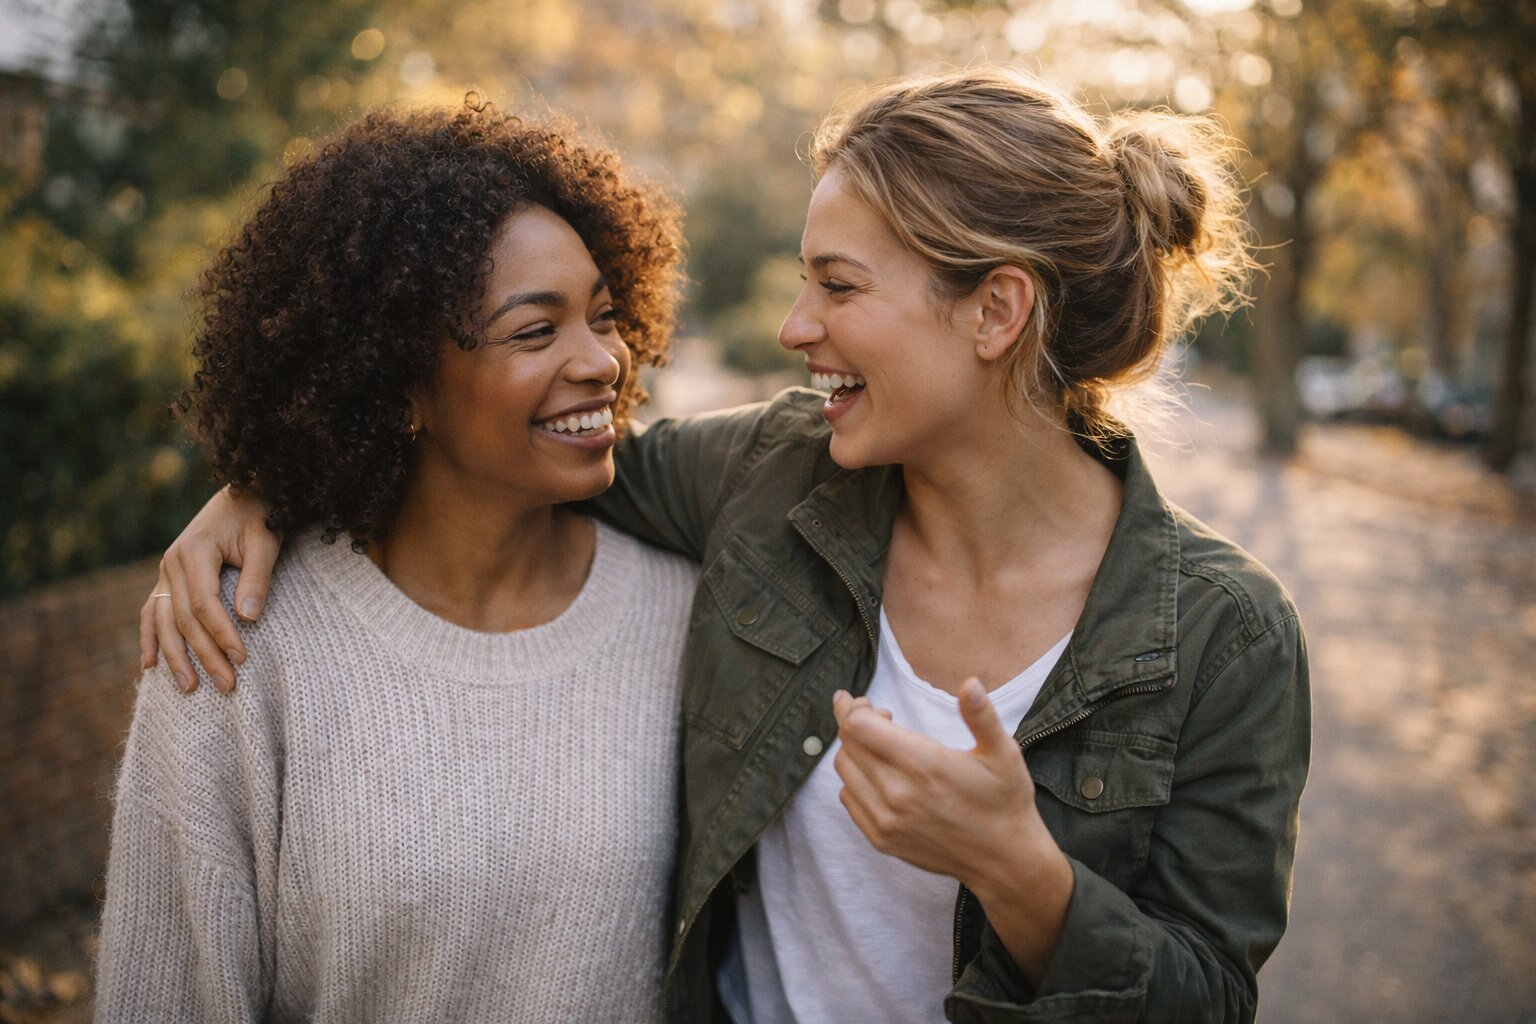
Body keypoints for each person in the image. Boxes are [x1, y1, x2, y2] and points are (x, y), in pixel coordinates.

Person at [143, 67, 1309, 1023]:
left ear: (996, 311)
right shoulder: (772, 475)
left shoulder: (1224, 636)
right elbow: (519, 452)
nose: (798, 328)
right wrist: (271, 484)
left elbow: (1209, 996)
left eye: (838, 287)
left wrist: (1019, 869)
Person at [96, 102, 698, 1022]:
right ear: (397, 381)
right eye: (535, 332)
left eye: (606, 316)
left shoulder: (680, 610)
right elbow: (167, 993)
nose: (602, 361)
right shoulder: (236, 641)